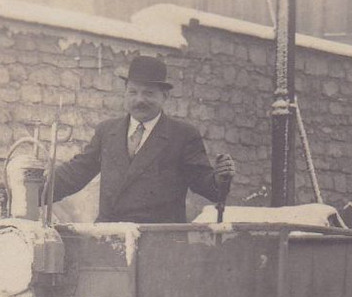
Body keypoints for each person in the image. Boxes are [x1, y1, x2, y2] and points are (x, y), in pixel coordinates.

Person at [44, 54, 235, 223]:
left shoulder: (183, 135)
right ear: (125, 92)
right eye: (133, 92)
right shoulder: (107, 131)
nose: (139, 100)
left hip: (157, 242)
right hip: (110, 237)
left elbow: (205, 184)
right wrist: (33, 191)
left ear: (165, 96)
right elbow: (76, 173)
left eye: (149, 93)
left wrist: (219, 179)